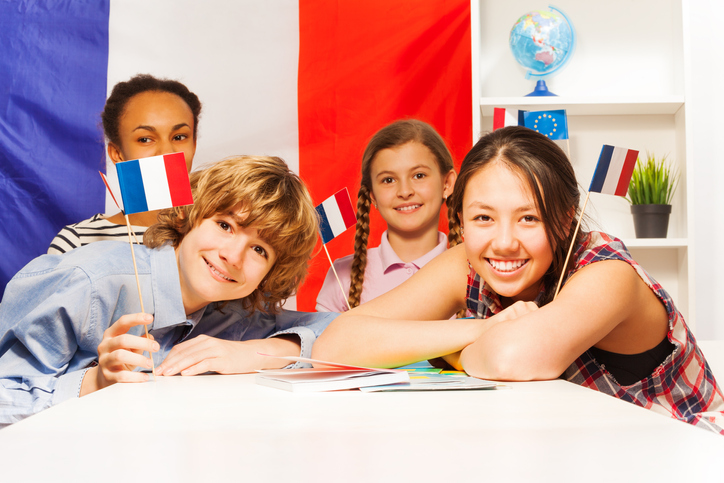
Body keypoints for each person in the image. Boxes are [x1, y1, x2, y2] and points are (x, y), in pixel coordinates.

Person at [313, 126, 724, 433]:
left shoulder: (607, 272)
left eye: (529, 218)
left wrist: (447, 352)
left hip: (682, 454)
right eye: (483, 217)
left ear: (565, 219)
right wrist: (485, 329)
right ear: (460, 218)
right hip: (573, 449)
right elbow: (335, 344)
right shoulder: (468, 263)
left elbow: (511, 358)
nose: (504, 242)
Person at [0, 155, 337, 427]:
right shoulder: (88, 282)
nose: (233, 257)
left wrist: (255, 352)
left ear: (269, 274)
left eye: (260, 250)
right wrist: (94, 384)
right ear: (188, 218)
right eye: (224, 225)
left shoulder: (233, 311)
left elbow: (335, 329)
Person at [47, 74, 202, 254]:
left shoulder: (225, 232)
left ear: (194, 145)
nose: (167, 152)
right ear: (117, 154)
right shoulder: (78, 242)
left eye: (179, 137)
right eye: (145, 139)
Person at [315, 119, 457, 312]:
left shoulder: (474, 272)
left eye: (419, 175)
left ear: (447, 184)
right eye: (388, 180)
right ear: (372, 195)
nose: (405, 191)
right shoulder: (342, 277)